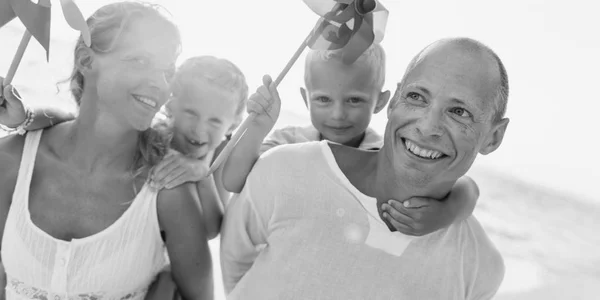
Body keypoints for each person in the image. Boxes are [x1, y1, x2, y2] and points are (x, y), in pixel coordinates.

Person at [220, 37, 509, 299]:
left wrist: (450, 209)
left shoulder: (479, 268)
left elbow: (465, 187)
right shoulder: (282, 165)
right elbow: (236, 265)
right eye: (417, 97)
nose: (427, 127)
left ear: (494, 136)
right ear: (394, 101)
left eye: (459, 112)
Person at [0, 2, 212, 299]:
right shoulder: (11, 161)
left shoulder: (168, 190)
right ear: (86, 60)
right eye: (140, 61)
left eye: (167, 71)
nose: (159, 84)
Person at [222, 43, 480, 236]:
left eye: (354, 100)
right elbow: (233, 181)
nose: (338, 114)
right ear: (305, 98)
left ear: (381, 101)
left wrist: (447, 213)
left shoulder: (383, 153)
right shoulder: (288, 142)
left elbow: (467, 188)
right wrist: (257, 127)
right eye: (323, 99)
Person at [0, 55, 251, 239]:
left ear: (234, 124)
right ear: (171, 105)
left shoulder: (219, 157)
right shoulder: (154, 137)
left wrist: (201, 174)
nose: (199, 128)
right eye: (191, 113)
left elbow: (209, 229)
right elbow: (71, 120)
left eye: (215, 121)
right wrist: (26, 117)